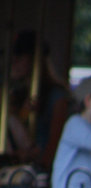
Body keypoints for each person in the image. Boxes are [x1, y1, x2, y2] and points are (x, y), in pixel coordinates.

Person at [9, 30, 71, 172]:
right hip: (17, 165)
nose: (14, 62)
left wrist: (44, 165)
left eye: (19, 57)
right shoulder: (14, 94)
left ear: (34, 60)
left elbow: (55, 139)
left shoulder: (57, 96)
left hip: (39, 167)